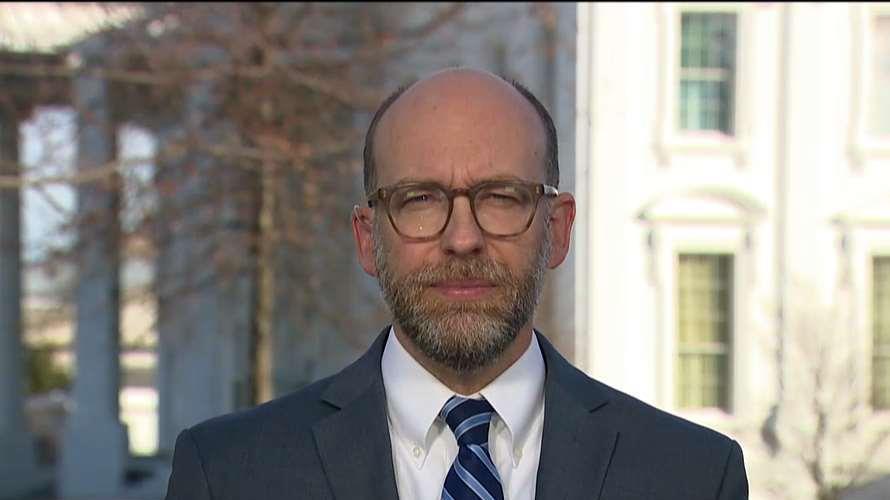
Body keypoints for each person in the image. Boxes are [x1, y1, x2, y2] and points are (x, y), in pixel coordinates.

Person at [165, 68, 748, 500]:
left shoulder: (692, 477)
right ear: (367, 238)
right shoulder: (229, 475)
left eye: (501, 197)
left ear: (558, 229)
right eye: (420, 199)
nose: (463, 238)